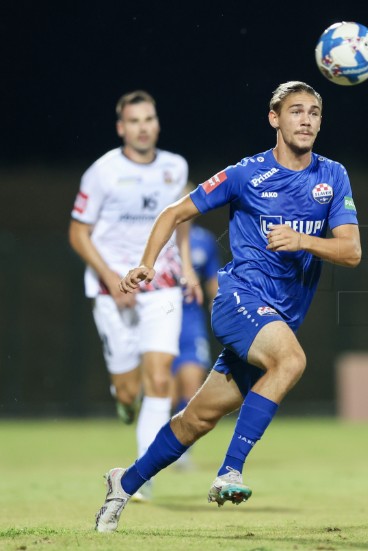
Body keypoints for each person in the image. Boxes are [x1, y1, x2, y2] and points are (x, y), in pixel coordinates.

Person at [94, 81, 362, 533]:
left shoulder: (332, 176)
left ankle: (125, 481)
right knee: (292, 359)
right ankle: (230, 471)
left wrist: (302, 241)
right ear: (274, 118)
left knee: (197, 418)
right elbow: (173, 213)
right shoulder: (244, 175)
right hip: (239, 298)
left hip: (279, 317)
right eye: (296, 111)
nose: (307, 120)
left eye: (314, 113)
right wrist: (146, 263)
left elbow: (351, 251)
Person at [69, 90, 199, 501]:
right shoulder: (102, 172)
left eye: (150, 119)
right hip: (112, 291)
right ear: (122, 128)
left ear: (157, 123)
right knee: (129, 390)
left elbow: (178, 222)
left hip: (161, 285)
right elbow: (78, 232)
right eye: (135, 121)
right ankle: (123, 401)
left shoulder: (175, 167)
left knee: (160, 377)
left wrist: (189, 267)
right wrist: (109, 278)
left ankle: (140, 477)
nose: (144, 127)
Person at [170, 218, 222, 469]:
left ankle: (182, 452)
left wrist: (218, 303)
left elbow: (212, 279)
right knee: (165, 392)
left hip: (191, 321)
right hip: (161, 318)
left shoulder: (204, 240)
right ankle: (154, 446)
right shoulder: (158, 238)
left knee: (191, 387)